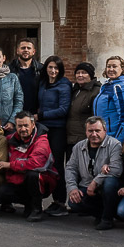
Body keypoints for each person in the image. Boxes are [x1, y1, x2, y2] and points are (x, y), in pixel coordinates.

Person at [64, 115, 122, 230]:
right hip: (86, 186)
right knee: (74, 203)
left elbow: (116, 169)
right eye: (90, 131)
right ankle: (100, 214)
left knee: (110, 183)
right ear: (85, 131)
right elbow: (70, 168)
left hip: (106, 187)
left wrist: (95, 182)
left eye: (97, 131)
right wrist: (72, 188)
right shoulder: (78, 147)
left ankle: (107, 219)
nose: (94, 134)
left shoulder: (115, 145)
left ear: (105, 130)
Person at [0, 110, 53, 221]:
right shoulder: (10, 139)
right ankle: (26, 203)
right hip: (17, 178)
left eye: (26, 125)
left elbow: (36, 163)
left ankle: (36, 208)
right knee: (1, 194)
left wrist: (10, 165)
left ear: (33, 125)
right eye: (19, 126)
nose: (23, 129)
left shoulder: (41, 141)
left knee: (33, 174)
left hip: (41, 180)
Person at [36, 56, 72, 210]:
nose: (53, 71)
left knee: (57, 164)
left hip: (57, 129)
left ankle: (59, 200)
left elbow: (64, 109)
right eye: (50, 67)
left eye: (56, 68)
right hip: (43, 129)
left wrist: (41, 115)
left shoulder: (64, 86)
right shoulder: (43, 84)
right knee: (41, 162)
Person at [93, 55, 124, 139]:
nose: (111, 69)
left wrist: (118, 142)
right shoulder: (108, 84)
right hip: (103, 135)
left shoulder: (123, 86)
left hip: (113, 137)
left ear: (122, 69)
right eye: (108, 66)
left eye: (114, 66)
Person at [10, 39, 41, 115]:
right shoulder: (9, 69)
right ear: (17, 51)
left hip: (34, 114)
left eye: (29, 48)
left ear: (33, 51)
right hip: (13, 113)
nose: (26, 50)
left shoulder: (41, 70)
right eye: (23, 48)